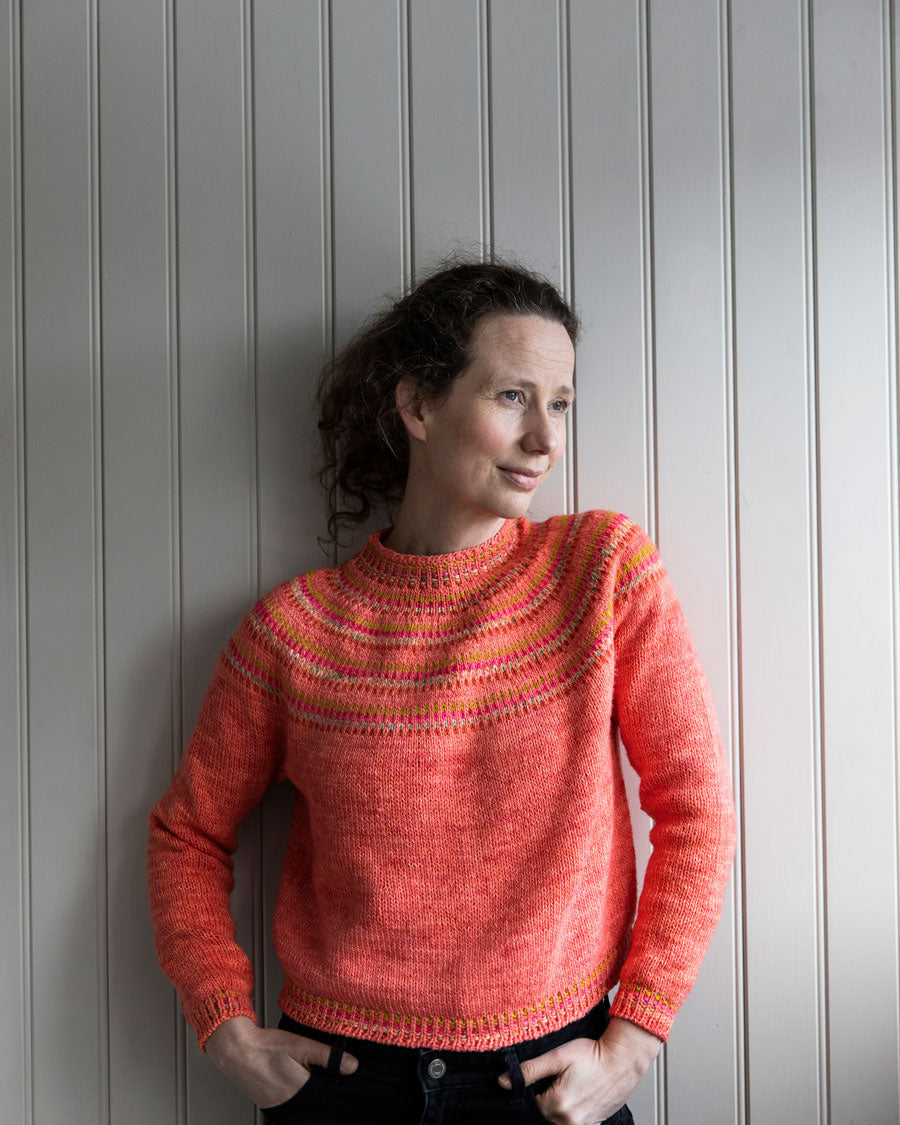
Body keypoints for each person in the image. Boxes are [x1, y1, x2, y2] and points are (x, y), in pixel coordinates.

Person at [147, 260, 737, 1125]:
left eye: (561, 403)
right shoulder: (294, 631)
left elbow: (698, 810)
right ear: (419, 405)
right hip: (342, 1087)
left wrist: (637, 1034)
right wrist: (224, 1024)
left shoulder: (602, 572)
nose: (546, 439)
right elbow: (187, 834)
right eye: (513, 397)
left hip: (548, 1083)